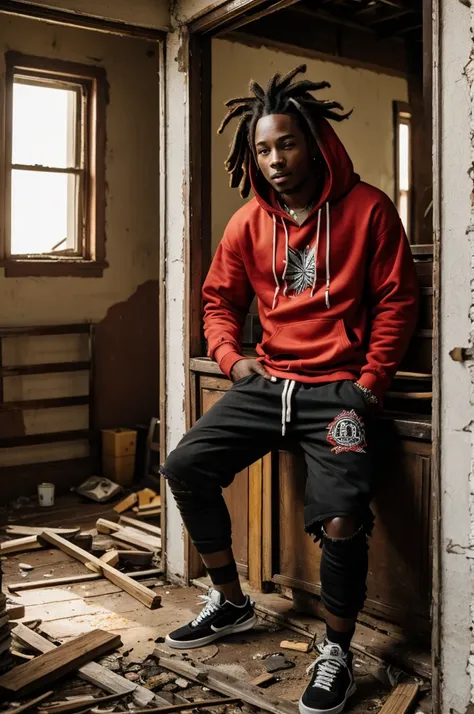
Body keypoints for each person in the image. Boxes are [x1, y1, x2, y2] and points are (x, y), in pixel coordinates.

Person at [160, 65, 418, 714]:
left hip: (337, 395)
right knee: (186, 466)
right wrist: (229, 356)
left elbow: (396, 303)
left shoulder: (369, 210)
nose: (275, 160)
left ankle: (335, 649)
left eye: (286, 144)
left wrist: (368, 382)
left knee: (342, 517)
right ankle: (233, 602)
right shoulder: (249, 221)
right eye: (263, 149)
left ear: (315, 141)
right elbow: (219, 298)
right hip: (268, 383)